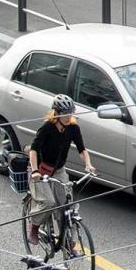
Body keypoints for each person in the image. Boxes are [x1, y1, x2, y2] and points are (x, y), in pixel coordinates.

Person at [25, 95, 97, 245]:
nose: (68, 116)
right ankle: (34, 225)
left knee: (66, 207)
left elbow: (82, 150)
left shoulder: (73, 128)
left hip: (58, 171)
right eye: (65, 113)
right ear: (56, 113)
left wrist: (88, 165)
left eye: (70, 112)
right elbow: (33, 150)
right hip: (41, 170)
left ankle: (67, 241)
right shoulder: (47, 128)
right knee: (49, 203)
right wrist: (35, 171)